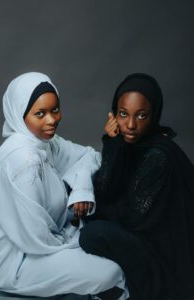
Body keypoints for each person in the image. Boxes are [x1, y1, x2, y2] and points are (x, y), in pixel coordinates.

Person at [0, 72, 128, 300]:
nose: (51, 120)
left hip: (49, 242)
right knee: (111, 271)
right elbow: (34, 238)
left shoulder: (45, 142)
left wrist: (81, 187)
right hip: (17, 262)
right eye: (40, 114)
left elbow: (89, 156)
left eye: (55, 110)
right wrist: (77, 241)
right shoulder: (22, 160)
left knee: (109, 249)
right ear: (20, 115)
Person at [79, 73, 194, 300]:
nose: (130, 125)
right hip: (143, 238)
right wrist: (113, 143)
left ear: (153, 116)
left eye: (141, 116)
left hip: (163, 261)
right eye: (123, 114)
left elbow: (132, 218)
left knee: (92, 233)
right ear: (114, 114)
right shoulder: (131, 146)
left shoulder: (157, 155)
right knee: (88, 211)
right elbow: (106, 188)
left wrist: (96, 211)